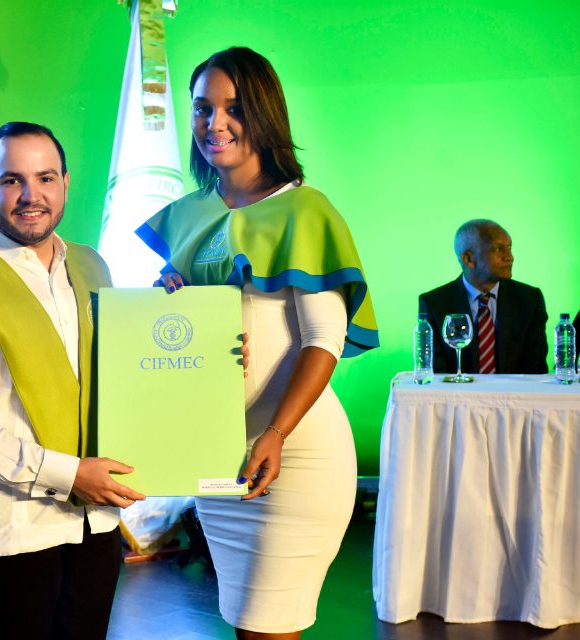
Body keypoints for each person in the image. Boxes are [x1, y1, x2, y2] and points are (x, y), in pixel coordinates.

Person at [135, 47, 378, 640]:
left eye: (233, 108)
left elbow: (323, 339)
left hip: (292, 455)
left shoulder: (305, 209)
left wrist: (276, 433)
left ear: (264, 113)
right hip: (216, 464)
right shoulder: (187, 215)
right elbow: (182, 343)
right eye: (202, 108)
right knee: (245, 623)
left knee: (270, 626)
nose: (214, 123)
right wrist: (168, 303)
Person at [0, 121, 145, 640]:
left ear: (66, 183)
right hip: (11, 529)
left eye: (45, 178)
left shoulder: (91, 266)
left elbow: (123, 377)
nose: (31, 195)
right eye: (12, 180)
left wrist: (205, 343)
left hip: (96, 522)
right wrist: (68, 474)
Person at [419, 219, 548, 374]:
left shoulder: (530, 300)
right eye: (499, 249)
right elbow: (436, 373)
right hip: (456, 390)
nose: (510, 257)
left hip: (516, 390)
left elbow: (535, 370)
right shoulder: (434, 303)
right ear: (469, 259)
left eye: (509, 248)